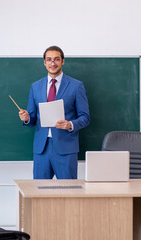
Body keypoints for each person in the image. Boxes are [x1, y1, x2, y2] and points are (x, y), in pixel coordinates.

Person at [19, 46, 90, 179]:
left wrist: (70, 124)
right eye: (49, 60)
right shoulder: (35, 86)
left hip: (66, 148)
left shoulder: (76, 86)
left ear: (63, 61)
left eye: (56, 59)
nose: (53, 63)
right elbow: (32, 118)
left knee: (69, 192)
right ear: (44, 62)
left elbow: (85, 117)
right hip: (42, 149)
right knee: (39, 192)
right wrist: (27, 118)